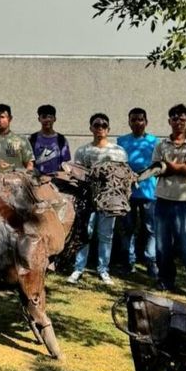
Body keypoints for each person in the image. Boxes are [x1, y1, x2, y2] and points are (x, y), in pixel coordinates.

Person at [152, 104, 186, 303]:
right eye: (174, 119)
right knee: (162, 245)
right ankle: (166, 280)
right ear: (169, 121)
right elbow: (157, 169)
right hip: (163, 199)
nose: (178, 122)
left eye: (182, 119)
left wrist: (168, 166)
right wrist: (176, 167)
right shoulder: (161, 144)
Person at [66, 113, 128, 286]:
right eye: (96, 125)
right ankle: (78, 269)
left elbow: (122, 175)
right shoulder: (83, 151)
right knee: (85, 233)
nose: (100, 128)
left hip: (110, 200)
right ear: (91, 128)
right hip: (88, 199)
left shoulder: (118, 151)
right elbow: (77, 174)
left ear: (108, 129)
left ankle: (103, 270)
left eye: (103, 125)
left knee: (106, 236)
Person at [116, 107, 158, 277]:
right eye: (133, 120)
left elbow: (157, 166)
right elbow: (119, 165)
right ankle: (129, 262)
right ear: (129, 122)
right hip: (128, 193)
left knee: (150, 229)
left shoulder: (154, 141)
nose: (137, 123)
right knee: (128, 228)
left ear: (146, 122)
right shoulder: (121, 141)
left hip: (149, 192)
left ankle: (151, 262)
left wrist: (142, 176)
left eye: (140, 119)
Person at [29, 104, 71, 175]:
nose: (47, 120)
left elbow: (65, 163)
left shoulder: (61, 139)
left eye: (50, 117)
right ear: (39, 119)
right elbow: (28, 163)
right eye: (44, 117)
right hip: (36, 182)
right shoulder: (32, 139)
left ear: (55, 119)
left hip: (57, 182)